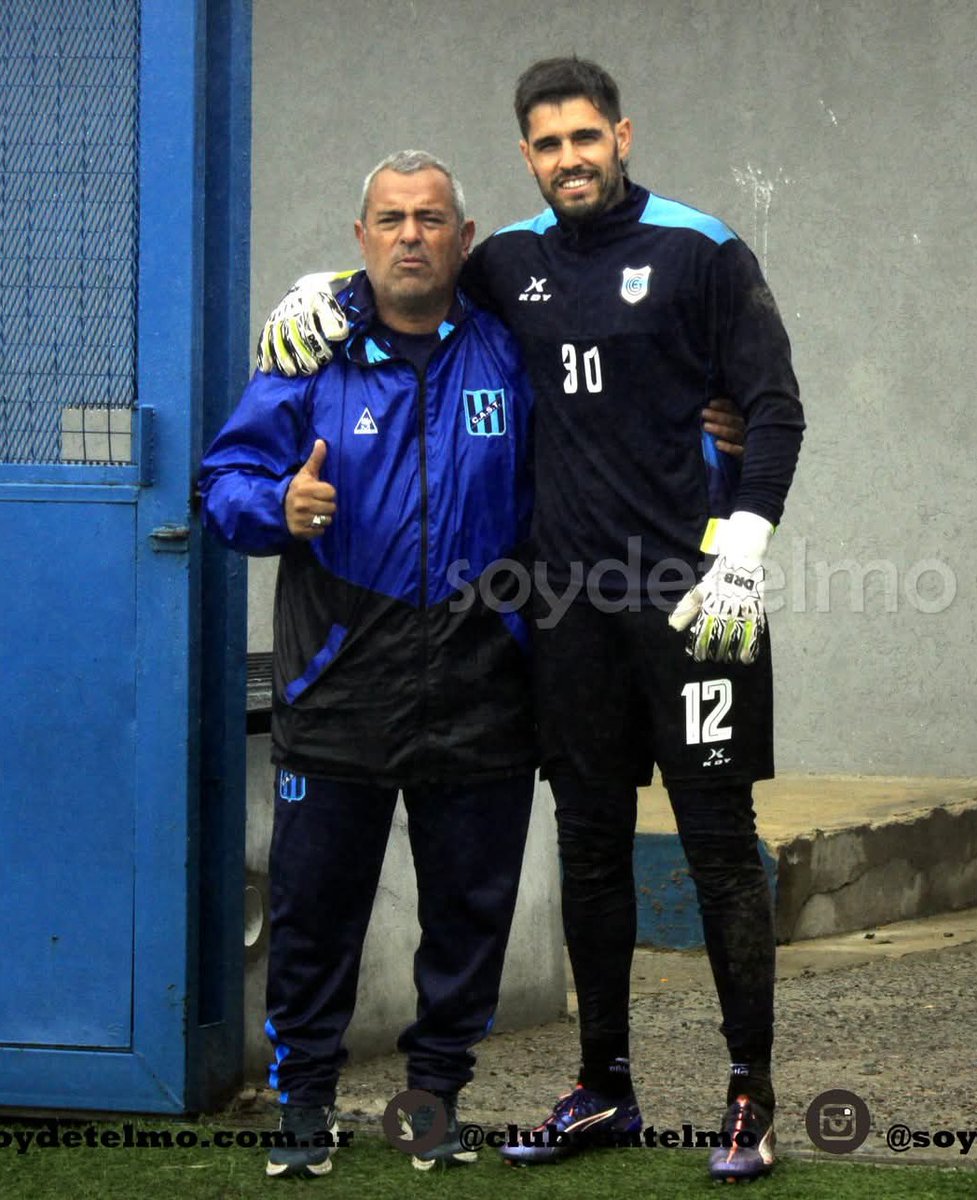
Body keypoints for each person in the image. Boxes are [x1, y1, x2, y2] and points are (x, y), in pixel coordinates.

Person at [254, 57, 797, 1183]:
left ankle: (750, 1098)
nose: (568, 161)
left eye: (584, 139)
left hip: (697, 607)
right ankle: (605, 1089)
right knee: (588, 854)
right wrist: (321, 292)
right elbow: (413, 281)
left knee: (717, 856)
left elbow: (773, 405)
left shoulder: (701, 249)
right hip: (564, 613)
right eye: (546, 146)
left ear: (622, 136)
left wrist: (741, 545)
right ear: (526, 158)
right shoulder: (506, 261)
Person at [199, 150, 540, 1178]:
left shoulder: (510, 353)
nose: (409, 235)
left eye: (430, 218)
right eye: (388, 218)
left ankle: (432, 1103)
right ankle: (302, 1108)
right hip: (339, 677)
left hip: (482, 675)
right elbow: (224, 483)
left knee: (468, 910)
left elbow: (597, 447)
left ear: (463, 239)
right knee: (315, 909)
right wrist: (280, 510)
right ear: (358, 239)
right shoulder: (309, 355)